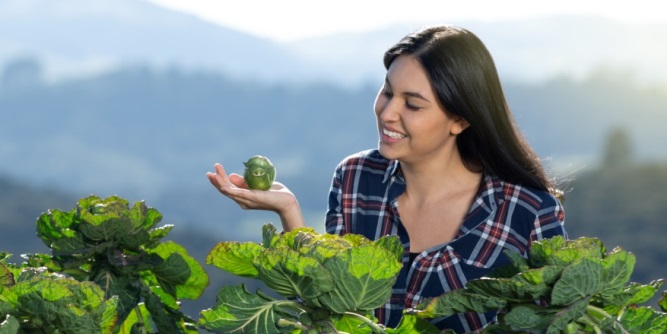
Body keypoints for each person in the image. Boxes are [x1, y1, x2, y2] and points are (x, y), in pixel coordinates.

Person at [206, 24, 566, 333]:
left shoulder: (529, 210)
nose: (387, 112)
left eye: (412, 104)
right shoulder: (355, 179)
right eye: (387, 92)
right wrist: (289, 211)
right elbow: (328, 310)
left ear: (461, 120)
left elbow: (556, 319)